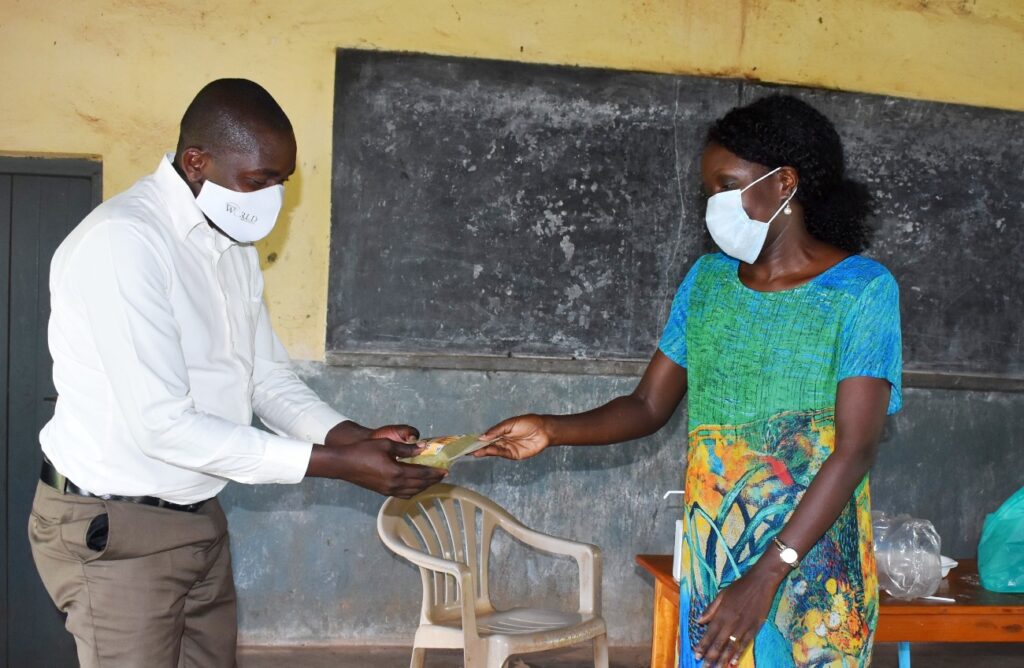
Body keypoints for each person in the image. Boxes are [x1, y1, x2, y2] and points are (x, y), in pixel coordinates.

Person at [28, 78, 446, 667]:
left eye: (281, 182)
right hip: (115, 529)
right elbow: (164, 428)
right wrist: (334, 466)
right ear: (196, 161)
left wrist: (354, 437)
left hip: (196, 517)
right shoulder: (124, 244)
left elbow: (265, 380)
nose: (271, 199)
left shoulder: (232, 248)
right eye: (257, 181)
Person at [476, 95, 902, 668]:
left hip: (812, 573)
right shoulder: (707, 284)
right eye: (710, 192)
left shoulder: (862, 291)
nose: (716, 205)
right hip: (717, 562)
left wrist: (768, 572)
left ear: (784, 185)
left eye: (729, 185)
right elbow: (647, 405)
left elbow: (854, 450)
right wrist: (550, 428)